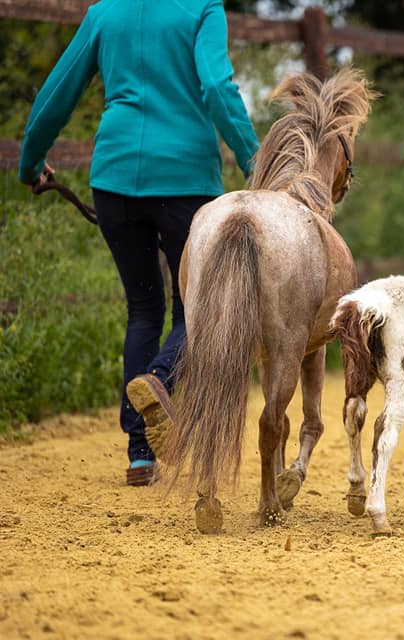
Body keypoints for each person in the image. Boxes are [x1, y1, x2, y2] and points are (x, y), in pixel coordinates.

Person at [19, 0, 259, 486]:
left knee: (142, 309)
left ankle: (139, 454)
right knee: (199, 309)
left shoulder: (105, 13)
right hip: (186, 180)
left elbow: (56, 93)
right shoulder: (201, 10)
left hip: (115, 179)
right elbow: (216, 86)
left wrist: (30, 161)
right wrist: (256, 163)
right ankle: (161, 380)